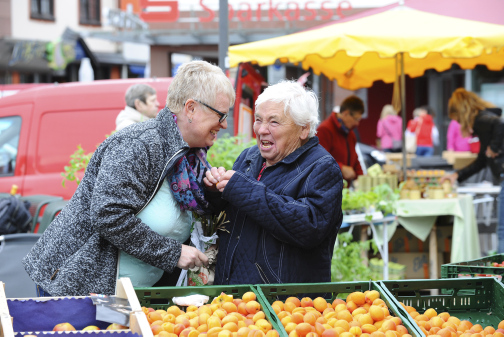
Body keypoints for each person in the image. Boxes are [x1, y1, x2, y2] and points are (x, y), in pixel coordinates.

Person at [23, 60, 235, 296]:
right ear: (191, 108)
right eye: (221, 114)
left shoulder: (189, 157)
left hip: (126, 296)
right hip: (79, 289)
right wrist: (173, 253)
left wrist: (213, 192)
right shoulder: (138, 145)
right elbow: (108, 215)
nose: (225, 124)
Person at [203, 80, 343, 285]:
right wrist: (215, 190)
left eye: (274, 122)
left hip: (285, 304)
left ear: (303, 129)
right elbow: (231, 211)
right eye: (258, 120)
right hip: (233, 297)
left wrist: (242, 188)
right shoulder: (249, 156)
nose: (261, 130)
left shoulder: (321, 167)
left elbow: (310, 227)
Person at [441, 88, 504, 252]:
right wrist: (457, 175)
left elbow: (500, 124)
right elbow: (482, 160)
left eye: (457, 120)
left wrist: (494, 147)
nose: (459, 124)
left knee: (502, 231)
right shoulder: (485, 119)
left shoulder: (481, 120)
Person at [317, 95, 364, 185]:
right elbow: (318, 160)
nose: (357, 123)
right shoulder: (324, 130)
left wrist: (362, 178)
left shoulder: (350, 134)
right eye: (356, 119)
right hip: (327, 189)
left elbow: (355, 160)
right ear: (345, 113)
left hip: (344, 190)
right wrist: (341, 168)